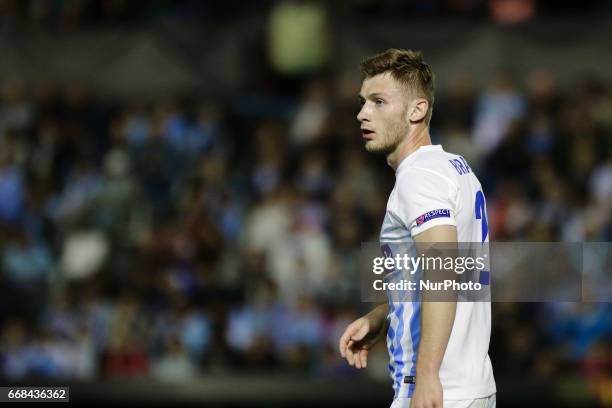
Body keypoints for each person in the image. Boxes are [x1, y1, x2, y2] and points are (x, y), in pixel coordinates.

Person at [338, 49, 497, 408]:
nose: (362, 113)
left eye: (378, 101)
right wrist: (385, 315)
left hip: (437, 388)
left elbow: (443, 272)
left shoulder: (419, 178)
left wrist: (426, 376)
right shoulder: (454, 166)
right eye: (363, 101)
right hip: (470, 384)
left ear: (417, 110)